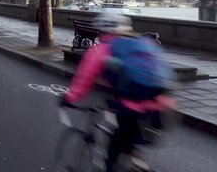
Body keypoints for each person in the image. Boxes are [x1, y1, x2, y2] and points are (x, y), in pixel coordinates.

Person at [59, 12, 175, 172]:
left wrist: (69, 98)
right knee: (129, 143)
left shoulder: (101, 50)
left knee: (112, 157)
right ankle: (135, 159)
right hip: (161, 107)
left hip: (133, 109)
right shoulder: (142, 45)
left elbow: (84, 79)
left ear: (101, 31)